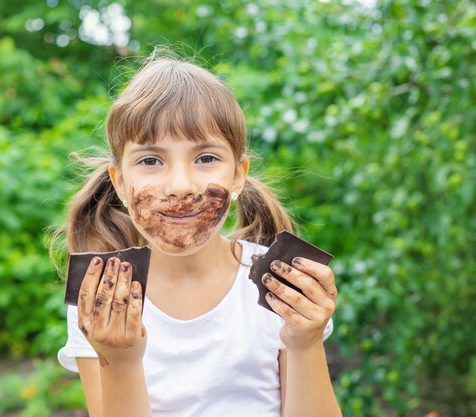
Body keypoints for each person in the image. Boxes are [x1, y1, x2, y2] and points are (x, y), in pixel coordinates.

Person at [55, 54, 342, 417]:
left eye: (206, 158)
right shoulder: (103, 299)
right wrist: (122, 361)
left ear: (238, 174)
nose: (180, 186)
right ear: (120, 183)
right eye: (150, 161)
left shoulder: (279, 288)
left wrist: (305, 341)